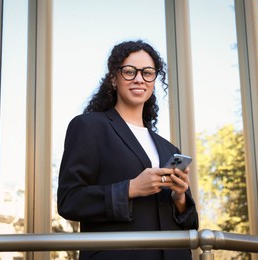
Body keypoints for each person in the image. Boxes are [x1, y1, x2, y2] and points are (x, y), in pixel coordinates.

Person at [57, 40, 199, 260]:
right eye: (129, 71)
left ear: (154, 80)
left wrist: (179, 198)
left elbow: (190, 224)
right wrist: (131, 189)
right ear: (113, 78)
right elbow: (69, 201)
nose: (139, 78)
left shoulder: (168, 148)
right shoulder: (89, 127)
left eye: (148, 72)